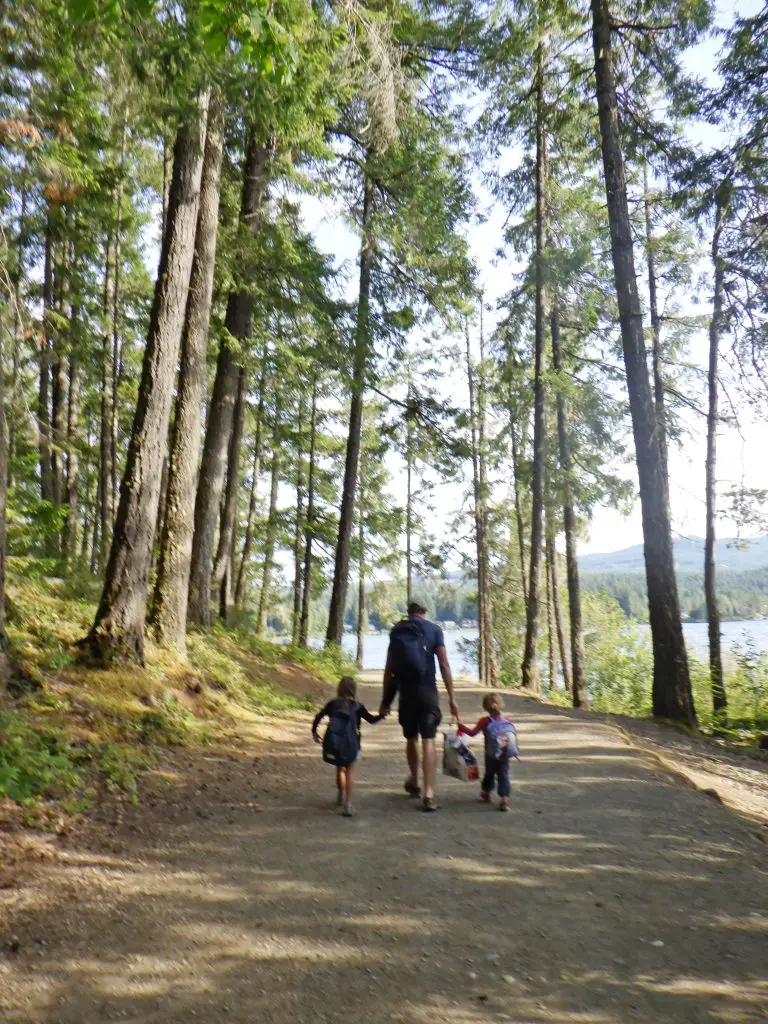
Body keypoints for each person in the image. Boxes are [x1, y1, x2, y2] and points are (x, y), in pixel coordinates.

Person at [379, 600, 459, 812]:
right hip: (428, 693)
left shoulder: (397, 631)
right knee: (429, 740)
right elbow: (443, 664)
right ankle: (429, 793)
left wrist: (385, 701)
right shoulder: (434, 630)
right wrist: (452, 697)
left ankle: (414, 780)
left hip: (407, 693)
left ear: (409, 612)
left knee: (411, 737)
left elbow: (389, 669)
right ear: (424, 612)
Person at [312, 676, 382, 817]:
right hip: (353, 744)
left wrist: (314, 732)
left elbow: (318, 717)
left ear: (339, 689)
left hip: (336, 743)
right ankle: (348, 804)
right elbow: (371, 720)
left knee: (340, 769)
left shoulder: (333, 704)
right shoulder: (357, 706)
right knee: (350, 772)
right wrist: (382, 715)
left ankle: (341, 792)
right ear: (354, 690)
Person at [457, 692, 519, 812]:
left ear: (485, 707)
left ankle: (486, 792)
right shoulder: (507, 719)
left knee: (489, 773)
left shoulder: (485, 721)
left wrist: (461, 727)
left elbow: (472, 733)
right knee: (503, 774)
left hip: (490, 754)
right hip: (504, 753)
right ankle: (504, 798)